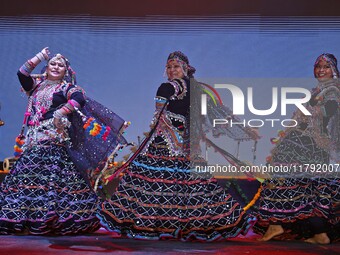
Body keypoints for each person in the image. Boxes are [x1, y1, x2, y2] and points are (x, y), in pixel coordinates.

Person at [97, 51, 256, 241]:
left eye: (176, 67)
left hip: (166, 141)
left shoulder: (170, 86)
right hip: (185, 143)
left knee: (155, 180)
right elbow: (210, 115)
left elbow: (160, 113)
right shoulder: (196, 89)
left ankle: (153, 224)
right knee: (189, 184)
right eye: (169, 67)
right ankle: (199, 223)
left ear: (185, 69)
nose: (172, 70)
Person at [0, 47, 126, 235]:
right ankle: (25, 219)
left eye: (61, 65)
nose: (56, 67)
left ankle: (48, 220)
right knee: (26, 178)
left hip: (53, 139)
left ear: (66, 71)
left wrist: (61, 112)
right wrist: (39, 57)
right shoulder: (36, 85)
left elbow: (79, 99)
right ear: (47, 66)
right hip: (33, 138)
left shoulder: (67, 88)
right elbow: (22, 72)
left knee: (51, 179)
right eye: (53, 63)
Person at [254, 53, 340, 244]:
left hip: (307, 145)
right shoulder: (319, 90)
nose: (321, 70)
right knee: (308, 190)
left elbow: (330, 110)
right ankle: (320, 234)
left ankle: (276, 224)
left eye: (326, 67)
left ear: (333, 70)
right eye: (318, 66)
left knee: (281, 179)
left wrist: (311, 110)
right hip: (309, 146)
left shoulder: (332, 90)